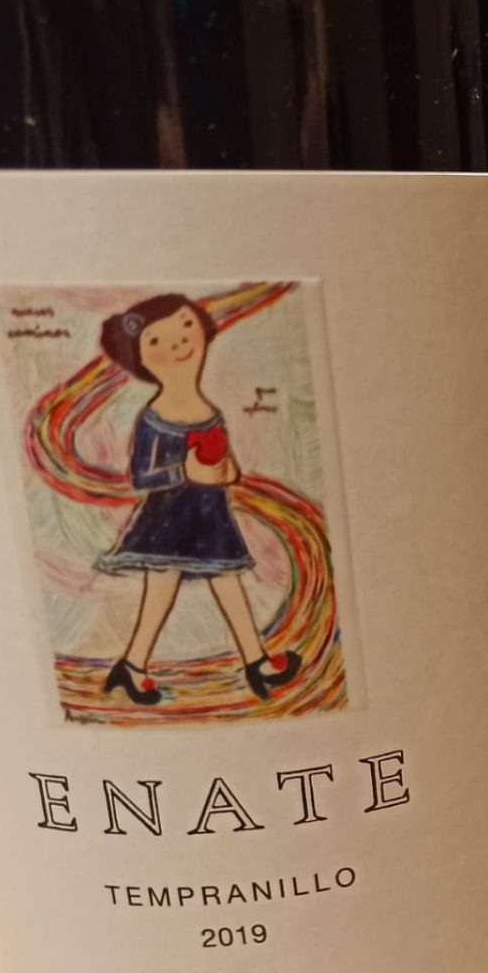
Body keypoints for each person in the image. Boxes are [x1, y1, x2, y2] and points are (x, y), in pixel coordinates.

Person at [96, 294, 302, 706]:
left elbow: (226, 465)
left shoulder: (210, 411)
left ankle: (255, 663)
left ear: (204, 332)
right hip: (168, 521)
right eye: (157, 340)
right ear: (142, 360)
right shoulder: (154, 417)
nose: (178, 342)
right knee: (160, 593)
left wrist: (226, 472)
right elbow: (142, 475)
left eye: (186, 326)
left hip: (210, 518)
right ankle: (133, 665)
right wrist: (183, 472)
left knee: (227, 584)